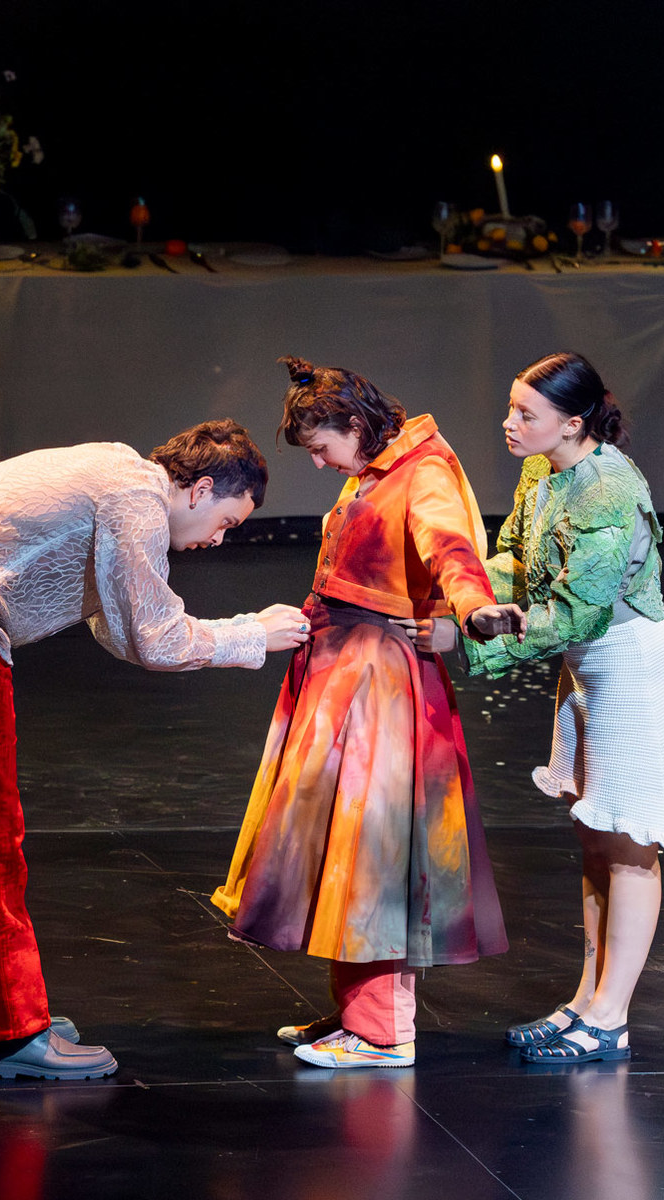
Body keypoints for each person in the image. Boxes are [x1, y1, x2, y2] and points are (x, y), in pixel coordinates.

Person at [0, 421, 311, 1080]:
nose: (219, 539)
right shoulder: (136, 498)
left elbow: (121, 627)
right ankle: (1, 1032)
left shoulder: (118, 473)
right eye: (227, 521)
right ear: (201, 489)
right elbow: (155, 638)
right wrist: (252, 633)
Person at [213, 358, 527, 1070]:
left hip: (377, 680)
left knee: (375, 851)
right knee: (343, 848)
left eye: (322, 447)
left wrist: (475, 609)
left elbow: (449, 548)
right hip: (343, 672)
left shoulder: (423, 471)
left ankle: (383, 1031)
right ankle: (358, 1012)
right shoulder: (374, 470)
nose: (319, 463)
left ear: (355, 425)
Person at [465, 351, 664, 1063]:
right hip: (585, 675)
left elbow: (581, 611)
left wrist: (483, 631)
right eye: (512, 408)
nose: (509, 423)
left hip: (631, 671)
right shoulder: (543, 472)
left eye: (526, 414)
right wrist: (464, 593)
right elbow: (517, 561)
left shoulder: (607, 487)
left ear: (573, 423)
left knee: (630, 847)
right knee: (596, 840)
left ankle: (610, 1018)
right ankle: (585, 1000)